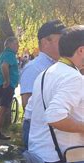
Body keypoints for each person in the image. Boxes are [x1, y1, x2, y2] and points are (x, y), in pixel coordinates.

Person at [28, 25, 84, 163]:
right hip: (62, 160)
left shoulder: (45, 74)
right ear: (81, 50)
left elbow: (32, 113)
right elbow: (54, 117)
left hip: (39, 154)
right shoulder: (73, 78)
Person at [20, 20, 65, 149]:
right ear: (46, 42)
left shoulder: (59, 66)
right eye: (61, 40)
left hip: (54, 130)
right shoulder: (34, 68)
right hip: (39, 131)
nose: (65, 44)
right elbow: (27, 104)